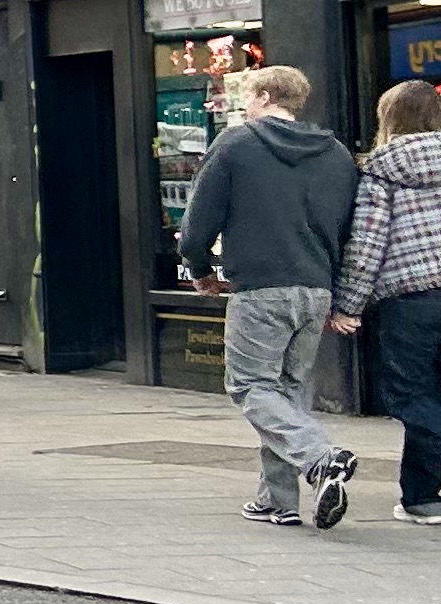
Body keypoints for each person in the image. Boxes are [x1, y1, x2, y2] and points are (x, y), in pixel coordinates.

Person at [180, 63, 365, 530]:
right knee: (286, 392)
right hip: (316, 287)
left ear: (264, 95)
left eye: (248, 95)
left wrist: (200, 270)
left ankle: (322, 458)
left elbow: (198, 220)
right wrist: (339, 294)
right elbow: (349, 231)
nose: (246, 104)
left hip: (261, 287)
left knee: (250, 386)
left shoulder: (236, 144)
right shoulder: (336, 153)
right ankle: (278, 501)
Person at [333, 80, 441, 527]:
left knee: (414, 395)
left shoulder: (381, 171)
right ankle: (421, 496)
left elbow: (367, 246)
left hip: (411, 301)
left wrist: (348, 305)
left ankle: (422, 497)